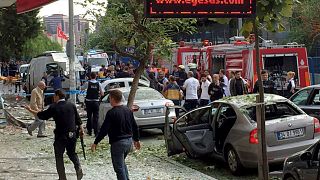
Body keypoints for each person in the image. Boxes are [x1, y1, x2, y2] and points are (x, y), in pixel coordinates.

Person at [25, 90, 84, 180]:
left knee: (59, 156)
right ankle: (78, 167)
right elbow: (78, 119)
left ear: (57, 96)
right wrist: (81, 130)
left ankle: (62, 178)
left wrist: (30, 110)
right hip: (72, 134)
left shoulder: (54, 107)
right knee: (72, 153)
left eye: (54, 96)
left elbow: (42, 115)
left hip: (61, 135)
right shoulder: (71, 105)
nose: (53, 97)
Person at [91, 89, 141, 180]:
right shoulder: (127, 110)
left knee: (119, 168)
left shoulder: (111, 113)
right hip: (129, 142)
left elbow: (104, 130)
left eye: (110, 98)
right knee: (122, 164)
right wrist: (136, 140)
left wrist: (96, 142)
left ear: (113, 99)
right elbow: (135, 126)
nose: (109, 100)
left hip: (118, 143)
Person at [81, 72, 104, 136]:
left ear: (90, 76)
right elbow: (102, 94)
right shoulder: (98, 83)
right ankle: (96, 132)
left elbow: (81, 88)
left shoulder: (87, 83)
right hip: (96, 102)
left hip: (89, 102)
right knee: (96, 117)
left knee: (89, 117)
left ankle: (89, 131)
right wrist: (98, 94)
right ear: (96, 76)